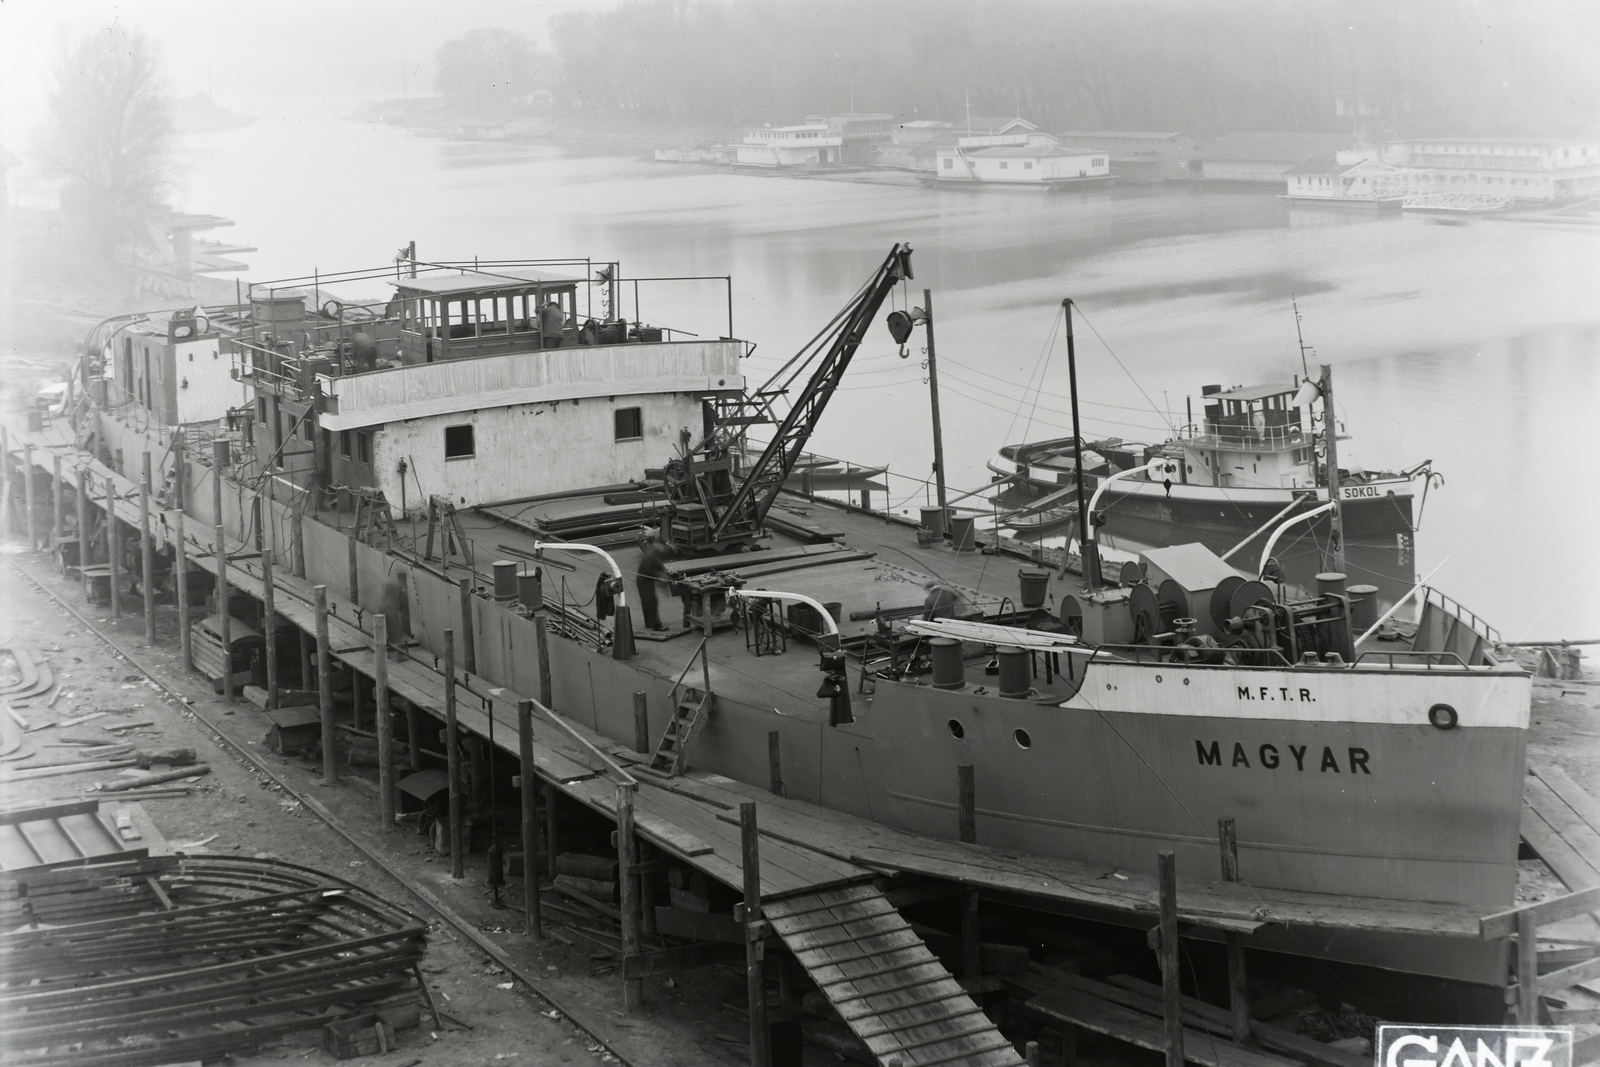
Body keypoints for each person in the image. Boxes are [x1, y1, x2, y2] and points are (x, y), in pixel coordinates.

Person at [635, 528, 676, 631]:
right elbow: (650, 570)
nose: (664, 550)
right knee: (651, 602)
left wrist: (666, 571)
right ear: (659, 545)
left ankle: (649, 623)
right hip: (644, 581)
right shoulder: (652, 554)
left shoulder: (654, 552)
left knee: (647, 602)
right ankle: (657, 625)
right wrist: (661, 578)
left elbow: (658, 564)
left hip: (645, 580)